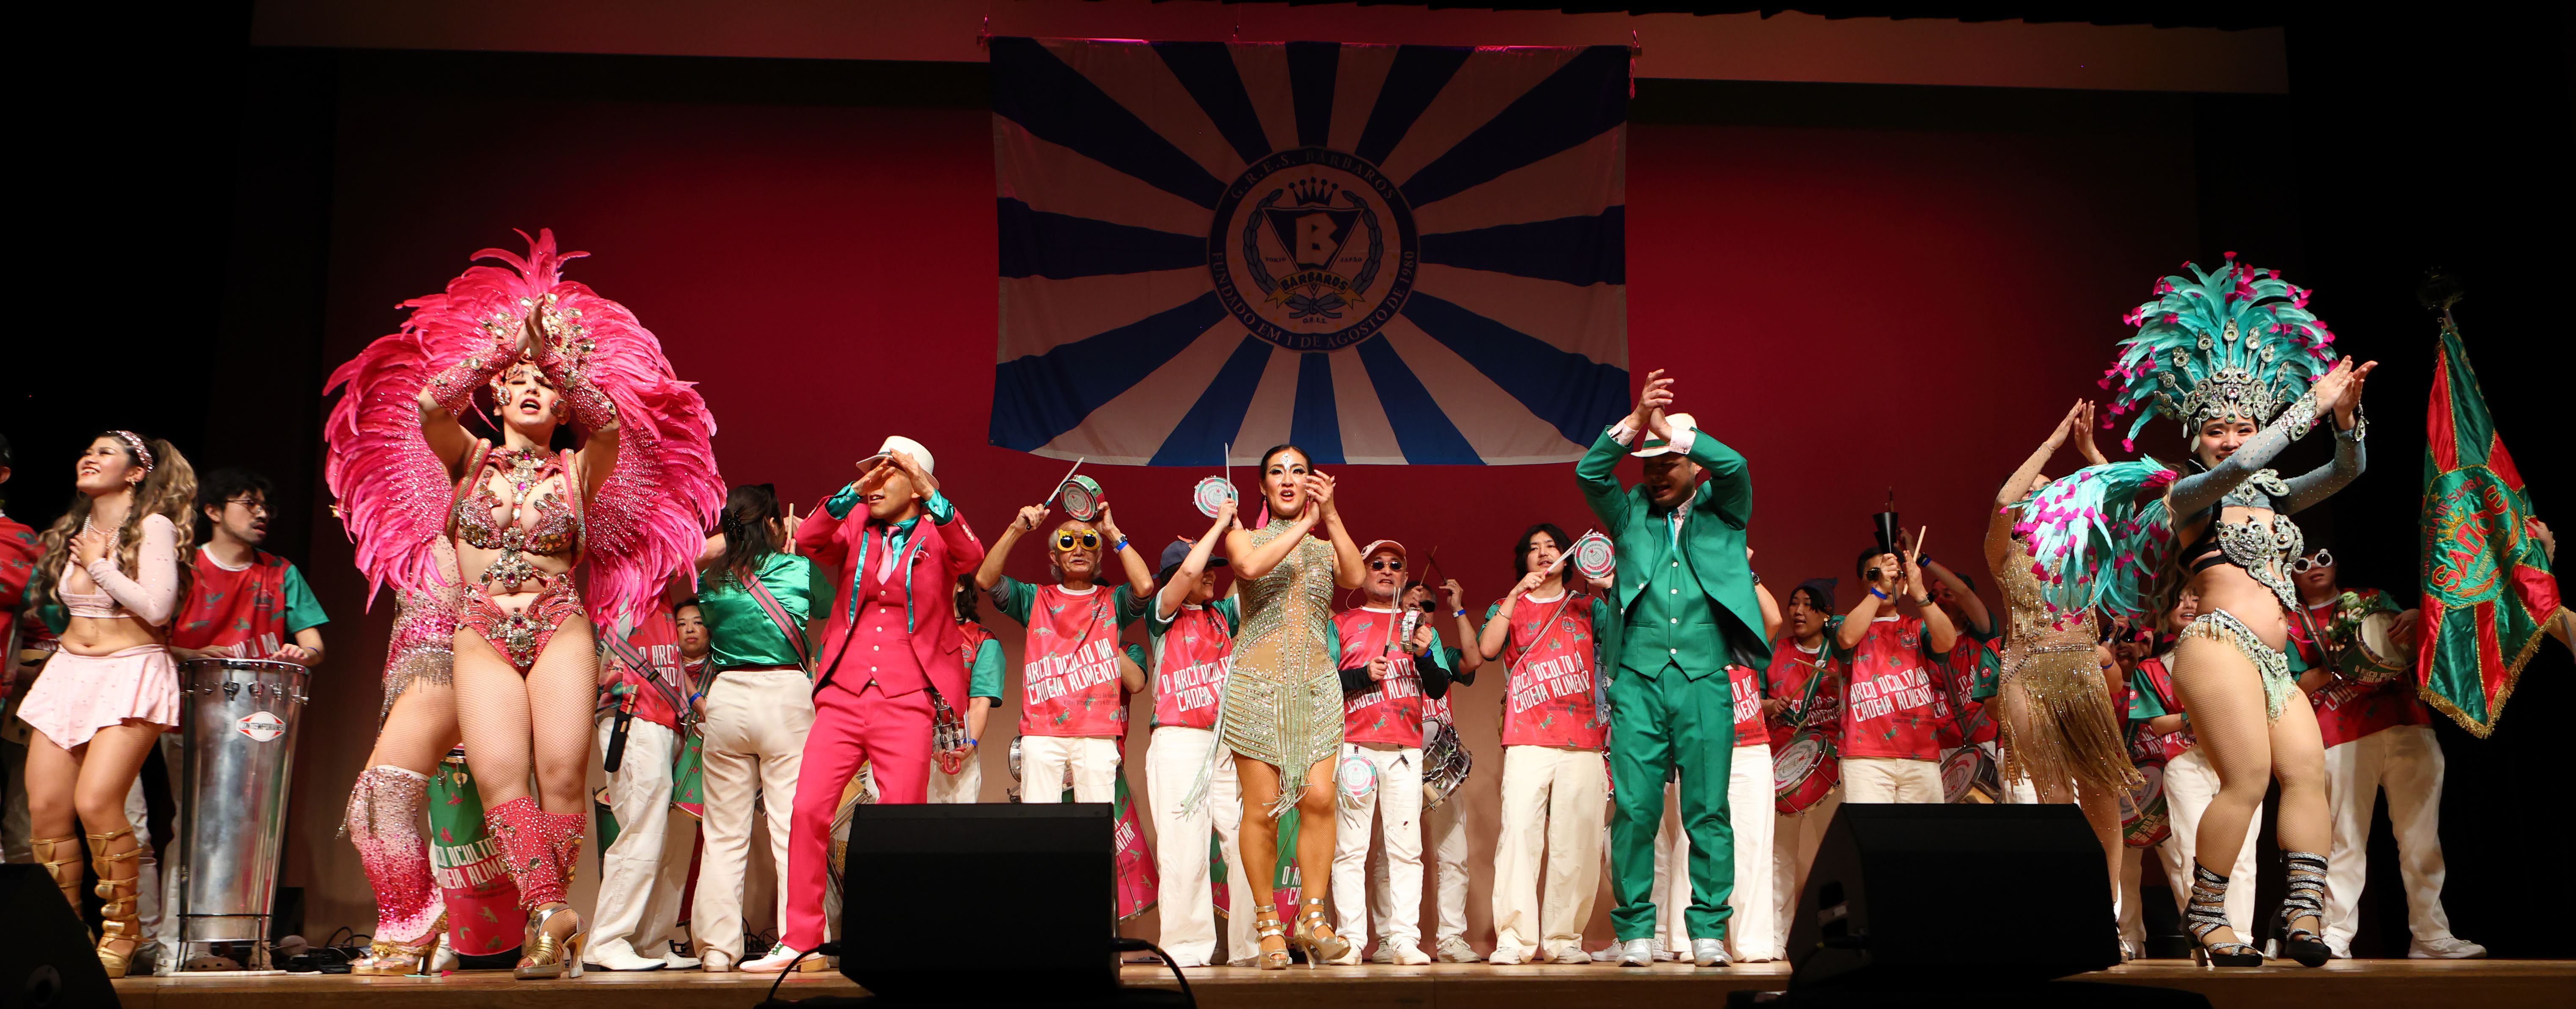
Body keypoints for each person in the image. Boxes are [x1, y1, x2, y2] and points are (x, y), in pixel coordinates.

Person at [325, 230, 724, 979]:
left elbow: (609, 423)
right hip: (481, 629)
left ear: (560, 401)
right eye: (519, 382)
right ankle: (551, 912)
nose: (532, 388)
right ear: (499, 397)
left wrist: (558, 361)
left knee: (562, 775)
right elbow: (429, 402)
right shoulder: (466, 458)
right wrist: (501, 351)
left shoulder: (581, 469)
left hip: (557, 625)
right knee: (500, 776)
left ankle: (547, 919)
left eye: (545, 385)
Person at [2097, 256, 2372, 967]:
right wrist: (2308, 407)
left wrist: (2345, 420)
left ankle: (2304, 916)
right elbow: (2239, 467)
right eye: (2215, 428)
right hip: (2216, 644)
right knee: (2246, 777)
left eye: (2241, 426)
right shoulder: (2189, 495)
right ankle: (2206, 915)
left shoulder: (2275, 495)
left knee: (2307, 775)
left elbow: (2347, 471)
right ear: (2195, 438)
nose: (2230, 437)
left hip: (2273, 662)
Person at [1575, 369, 1769, 969]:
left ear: (1691, 465)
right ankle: (1636, 929)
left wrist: (1675, 431)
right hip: (1637, 677)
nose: (1656, 475)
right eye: (1649, 466)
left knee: (1707, 809)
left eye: (1668, 464)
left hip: (1705, 677)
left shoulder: (1723, 509)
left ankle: (1708, 929)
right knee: (1636, 809)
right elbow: (1589, 473)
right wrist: (1636, 423)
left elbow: (1735, 466)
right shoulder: (1628, 512)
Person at [777, 437, 982, 971]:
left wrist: (933, 494)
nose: (874, 481)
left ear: (915, 485)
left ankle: (897, 937)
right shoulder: (854, 524)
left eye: (887, 473)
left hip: (907, 696)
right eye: (872, 471)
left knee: (900, 823)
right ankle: (801, 939)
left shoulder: (939, 532)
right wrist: (852, 491)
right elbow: (808, 536)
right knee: (807, 809)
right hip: (843, 694)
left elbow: (972, 557)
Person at [17, 430, 195, 978]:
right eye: (86, 451)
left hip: (131, 669)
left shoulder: (153, 526)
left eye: (105, 453)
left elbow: (158, 608)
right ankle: (67, 932)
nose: (89, 458)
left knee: (97, 801)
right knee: (46, 808)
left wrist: (100, 565)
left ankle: (123, 930)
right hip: (70, 672)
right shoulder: (74, 531)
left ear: (136, 472)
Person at [1189, 443, 1362, 970]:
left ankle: (1312, 916)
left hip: (1315, 687)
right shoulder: (1243, 535)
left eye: (1298, 471)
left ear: (1312, 481)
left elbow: (1355, 577)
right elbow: (1247, 565)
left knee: (1321, 798)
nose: (1287, 479)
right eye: (1276, 472)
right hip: (1256, 687)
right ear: (1262, 486)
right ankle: (1267, 924)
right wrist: (1305, 522)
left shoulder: (1323, 546)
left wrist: (1329, 515)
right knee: (1262, 809)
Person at [2288, 544, 2484, 959]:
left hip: (2406, 720)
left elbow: (2410, 645)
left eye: (2322, 557)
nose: (2314, 567)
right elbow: (2293, 685)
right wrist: (2341, 664)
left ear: (2335, 561)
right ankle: (2335, 936)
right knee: (2344, 840)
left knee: (2421, 838)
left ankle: (2430, 934)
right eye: (2302, 563)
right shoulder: (2290, 623)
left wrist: (2415, 618)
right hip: (2342, 732)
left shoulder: (2371, 599)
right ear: (2292, 573)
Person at [1985, 402, 2145, 905]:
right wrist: (2052, 443)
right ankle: (2066, 909)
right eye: (2031, 490)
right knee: (2053, 796)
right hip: (2025, 673)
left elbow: (2119, 503)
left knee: (2100, 794)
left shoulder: (2082, 547)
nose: (2037, 495)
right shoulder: (2001, 552)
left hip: (2080, 669)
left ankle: (2105, 912)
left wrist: (2090, 451)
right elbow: (2003, 498)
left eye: (2047, 490)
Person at [689, 484, 818, 973]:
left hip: (727, 698)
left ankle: (717, 948)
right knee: (789, 827)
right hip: (784, 697)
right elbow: (828, 605)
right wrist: (799, 549)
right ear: (772, 522)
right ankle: (799, 941)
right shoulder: (797, 568)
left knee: (723, 832)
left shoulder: (710, 580)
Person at [1477, 524, 1609, 966]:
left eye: (1551, 547)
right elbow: (1488, 648)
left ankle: (1563, 939)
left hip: (1583, 738)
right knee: (1518, 835)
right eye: (1533, 548)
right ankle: (1514, 940)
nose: (1542, 553)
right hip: (1526, 737)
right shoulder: (1507, 605)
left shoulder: (1588, 606)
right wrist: (1516, 594)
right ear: (1523, 560)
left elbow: (1624, 640)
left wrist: (1608, 585)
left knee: (1577, 841)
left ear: (1568, 557)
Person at [976, 493, 1155, 806]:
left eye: (1088, 542)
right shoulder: (1035, 599)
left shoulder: (1112, 601)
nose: (1079, 549)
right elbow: (985, 579)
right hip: (1042, 731)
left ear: (1099, 555)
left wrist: (1111, 532)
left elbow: (1145, 586)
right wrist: (1016, 529)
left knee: (1096, 827)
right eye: (1068, 542)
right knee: (1040, 827)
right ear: (1054, 557)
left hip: (1098, 732)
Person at [1327, 538, 1455, 966]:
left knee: (1406, 849)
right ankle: (1349, 940)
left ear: (1405, 576)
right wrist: (1362, 675)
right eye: (1377, 563)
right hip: (1354, 747)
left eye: (1395, 565)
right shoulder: (1340, 623)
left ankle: (1403, 940)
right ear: (1361, 572)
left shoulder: (1420, 626)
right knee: (1350, 849)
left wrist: (1423, 655)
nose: (1386, 570)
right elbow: (1322, 684)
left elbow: (1438, 687)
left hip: (1404, 749)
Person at [340, 540, 465, 975]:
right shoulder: (423, 524)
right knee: (372, 810)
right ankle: (409, 927)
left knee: (380, 804)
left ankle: (415, 927)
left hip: (443, 659)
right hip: (422, 665)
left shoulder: (457, 516)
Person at [1142, 515, 1255, 968]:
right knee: (1185, 848)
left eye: (1213, 568)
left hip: (1225, 744)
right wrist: (1218, 524)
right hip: (1179, 740)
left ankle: (1249, 945)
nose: (1211, 574)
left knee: (1247, 844)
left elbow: (1248, 574)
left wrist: (1239, 530)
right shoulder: (1161, 613)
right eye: (1205, 568)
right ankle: (1186, 948)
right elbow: (1189, 570)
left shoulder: (1222, 614)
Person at [584, 587, 705, 972]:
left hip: (668, 720)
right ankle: (607, 940)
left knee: (672, 840)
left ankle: (652, 941)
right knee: (643, 829)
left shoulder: (663, 596)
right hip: (633, 714)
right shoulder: (626, 580)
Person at [1832, 540, 1958, 803]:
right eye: (1874, 574)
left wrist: (1920, 591)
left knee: (1924, 831)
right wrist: (1879, 590)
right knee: (1871, 830)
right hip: (1864, 757)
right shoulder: (1841, 622)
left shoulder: (1918, 627)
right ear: (1861, 582)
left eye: (1894, 575)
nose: (1887, 580)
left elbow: (1948, 641)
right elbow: (1847, 638)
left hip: (1920, 754)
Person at [168, 467, 329, 665]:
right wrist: (190, 655)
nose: (263, 514)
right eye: (250, 504)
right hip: (189, 682)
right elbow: (146, 644)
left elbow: (315, 648)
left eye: (266, 508)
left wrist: (301, 655)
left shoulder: (282, 572)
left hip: (262, 684)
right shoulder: (185, 566)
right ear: (214, 512)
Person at [1763, 578, 1843, 956]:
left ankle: (1837, 937)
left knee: (1836, 855)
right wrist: (1770, 706)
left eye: (1808, 604)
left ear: (1826, 613)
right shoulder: (1775, 652)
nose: (1798, 611)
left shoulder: (1841, 653)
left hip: (1830, 765)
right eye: (1793, 603)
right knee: (1778, 855)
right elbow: (1750, 698)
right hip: (1782, 765)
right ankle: (1776, 939)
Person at [932, 576, 1005, 804]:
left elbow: (980, 702)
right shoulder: (908, 632)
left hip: (955, 740)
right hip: (908, 738)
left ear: (961, 585)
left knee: (955, 822)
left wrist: (969, 745)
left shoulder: (982, 639)